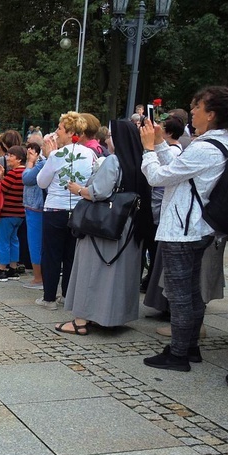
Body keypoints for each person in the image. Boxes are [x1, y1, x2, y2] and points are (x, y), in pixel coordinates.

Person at [140, 86, 228, 373]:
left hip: (182, 230)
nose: (192, 112)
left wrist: (147, 149)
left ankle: (179, 354)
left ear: (211, 114)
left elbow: (159, 177)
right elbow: (181, 171)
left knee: (181, 295)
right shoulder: (218, 143)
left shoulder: (206, 147)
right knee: (192, 293)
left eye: (197, 107)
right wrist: (160, 144)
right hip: (197, 228)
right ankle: (190, 346)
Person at [55, 121, 152, 335]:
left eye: (110, 135)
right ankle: (112, 317)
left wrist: (79, 190)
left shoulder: (113, 161)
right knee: (119, 274)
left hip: (104, 225)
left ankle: (80, 321)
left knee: (91, 270)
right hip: (129, 226)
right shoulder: (141, 161)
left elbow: (99, 192)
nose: (107, 139)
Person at [35, 112, 96, 309]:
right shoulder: (91, 154)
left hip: (55, 209)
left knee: (52, 254)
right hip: (79, 209)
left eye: (59, 128)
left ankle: (49, 298)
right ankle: (67, 295)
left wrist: (47, 158)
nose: (56, 132)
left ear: (70, 132)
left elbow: (41, 182)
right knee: (71, 255)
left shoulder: (56, 155)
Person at [0, 145, 26, 281]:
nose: (8, 158)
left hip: (8, 212)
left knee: (3, 240)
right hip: (20, 213)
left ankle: (2, 269)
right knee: (14, 240)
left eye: (11, 156)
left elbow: (1, 188)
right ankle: (13, 268)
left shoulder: (14, 174)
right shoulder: (25, 173)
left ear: (19, 159)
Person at [21, 141, 45, 289]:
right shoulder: (43, 163)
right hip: (36, 206)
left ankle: (38, 278)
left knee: (35, 243)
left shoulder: (41, 164)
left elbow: (27, 178)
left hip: (35, 207)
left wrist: (30, 162)